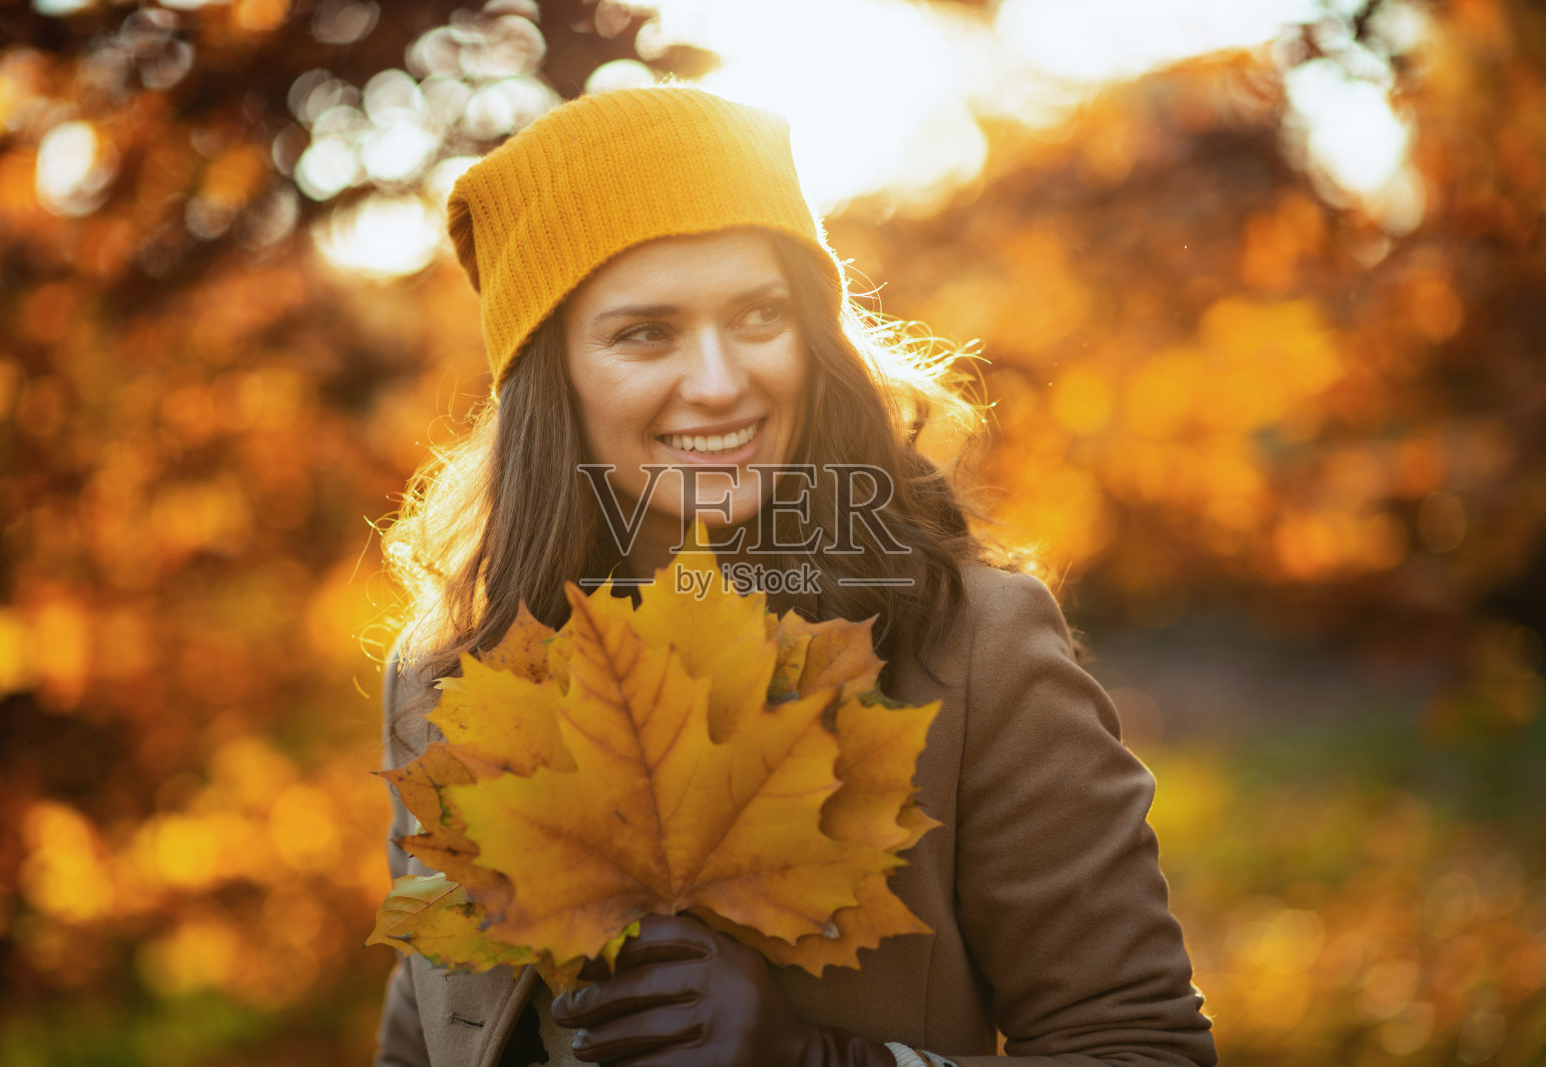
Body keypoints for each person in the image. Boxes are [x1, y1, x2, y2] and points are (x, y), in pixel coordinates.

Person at [373, 85, 1218, 1067]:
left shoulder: (971, 648)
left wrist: (816, 1061)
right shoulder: (443, 674)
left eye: (758, 313)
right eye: (645, 331)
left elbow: (1142, 1046)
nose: (722, 380)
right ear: (547, 377)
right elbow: (425, 1036)